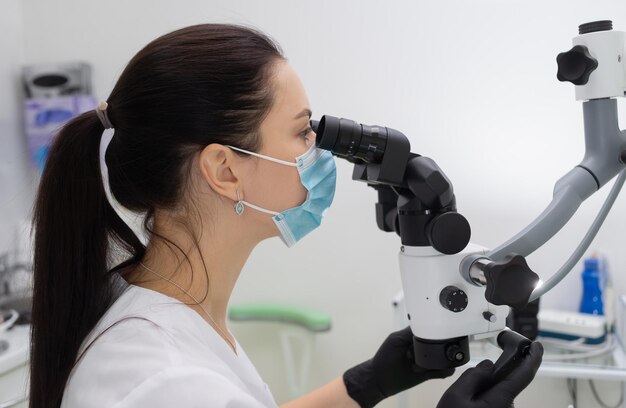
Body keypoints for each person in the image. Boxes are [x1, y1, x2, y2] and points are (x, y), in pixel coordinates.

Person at [29, 24, 542, 408]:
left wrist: (366, 383)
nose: (318, 152)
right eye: (302, 134)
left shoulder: (152, 303)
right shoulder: (165, 380)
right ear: (224, 170)